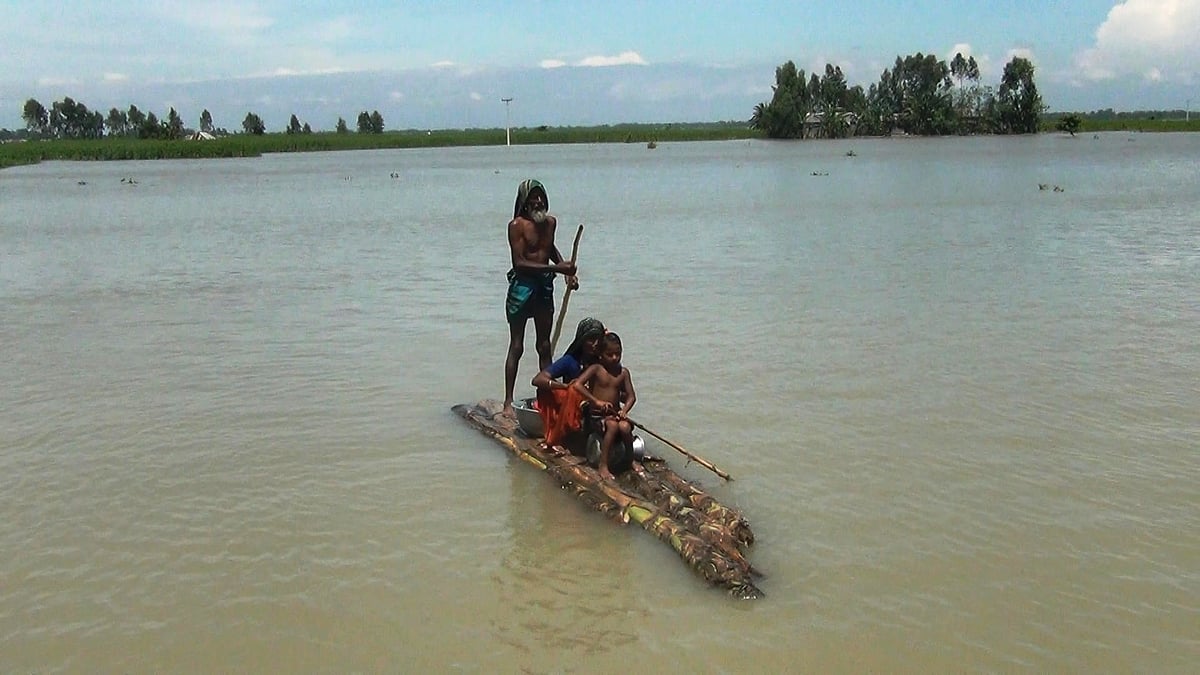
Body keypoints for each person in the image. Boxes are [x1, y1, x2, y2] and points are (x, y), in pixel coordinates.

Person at [503, 179, 577, 419]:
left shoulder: (550, 223)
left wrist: (566, 273)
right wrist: (558, 270)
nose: (538, 202)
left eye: (541, 197)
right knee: (517, 345)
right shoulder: (516, 226)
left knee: (544, 345)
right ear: (524, 202)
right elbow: (519, 262)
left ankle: (548, 399)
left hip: (544, 287)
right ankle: (507, 402)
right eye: (533, 198)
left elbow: (549, 248)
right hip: (522, 288)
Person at [531, 317, 606, 447]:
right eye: (591, 339)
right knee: (548, 391)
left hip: (597, 405)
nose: (595, 344)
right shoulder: (570, 360)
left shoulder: (604, 361)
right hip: (575, 406)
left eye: (598, 340)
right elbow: (538, 380)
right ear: (582, 341)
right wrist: (566, 387)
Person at [572, 332, 637, 481]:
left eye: (618, 354)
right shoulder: (596, 369)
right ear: (601, 355)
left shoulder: (623, 373)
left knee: (625, 427)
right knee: (613, 426)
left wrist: (624, 410)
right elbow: (577, 385)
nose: (615, 358)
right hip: (597, 416)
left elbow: (631, 396)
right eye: (610, 354)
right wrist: (596, 401)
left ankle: (630, 459)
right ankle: (603, 465)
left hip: (614, 414)